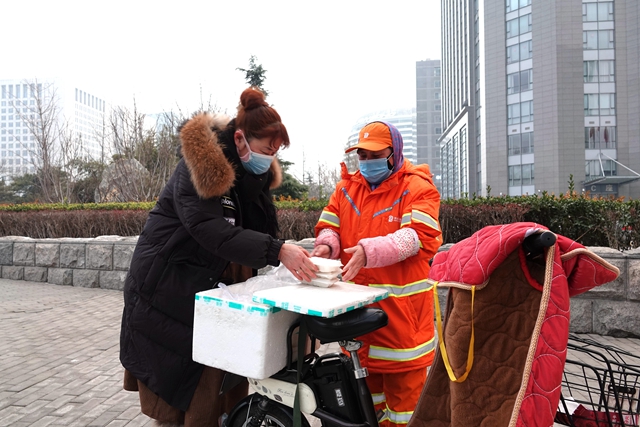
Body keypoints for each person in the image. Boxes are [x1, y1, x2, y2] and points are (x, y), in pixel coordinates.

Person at [119, 86, 317, 427]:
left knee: (220, 390)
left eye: (275, 153)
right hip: (169, 292)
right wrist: (279, 250)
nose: (269, 158)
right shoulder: (199, 170)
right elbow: (210, 230)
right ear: (240, 140)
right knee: (183, 397)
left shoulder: (248, 176)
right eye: (264, 150)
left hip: (210, 295)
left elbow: (262, 230)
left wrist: (257, 181)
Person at [311, 121, 442, 427]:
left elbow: (419, 237)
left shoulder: (418, 188)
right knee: (365, 407)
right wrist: (327, 246)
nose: (367, 162)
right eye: (362, 155)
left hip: (402, 325)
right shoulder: (346, 188)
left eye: (375, 155)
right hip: (359, 323)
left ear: (394, 153)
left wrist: (370, 251)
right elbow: (330, 226)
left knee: (406, 414)